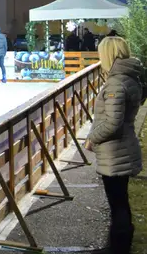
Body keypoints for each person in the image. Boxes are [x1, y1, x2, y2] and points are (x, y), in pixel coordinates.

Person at [84, 36, 143, 254]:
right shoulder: (128, 78)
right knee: (120, 200)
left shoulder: (116, 83)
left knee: (117, 202)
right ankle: (118, 245)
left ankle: (119, 248)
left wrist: (92, 138)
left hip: (116, 151)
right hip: (122, 149)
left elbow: (112, 123)